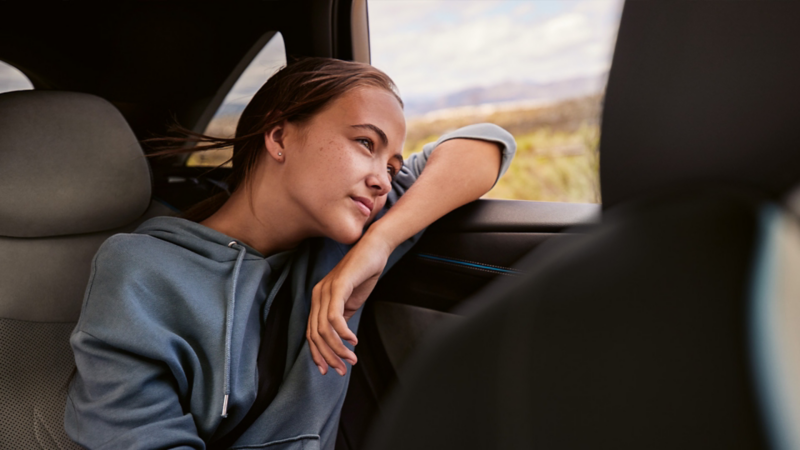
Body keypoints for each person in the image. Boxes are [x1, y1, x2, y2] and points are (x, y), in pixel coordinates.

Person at [64, 57, 516, 449]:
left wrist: (380, 243)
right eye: (365, 144)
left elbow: (486, 144)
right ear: (279, 136)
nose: (382, 180)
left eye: (392, 165)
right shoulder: (141, 271)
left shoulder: (347, 242)